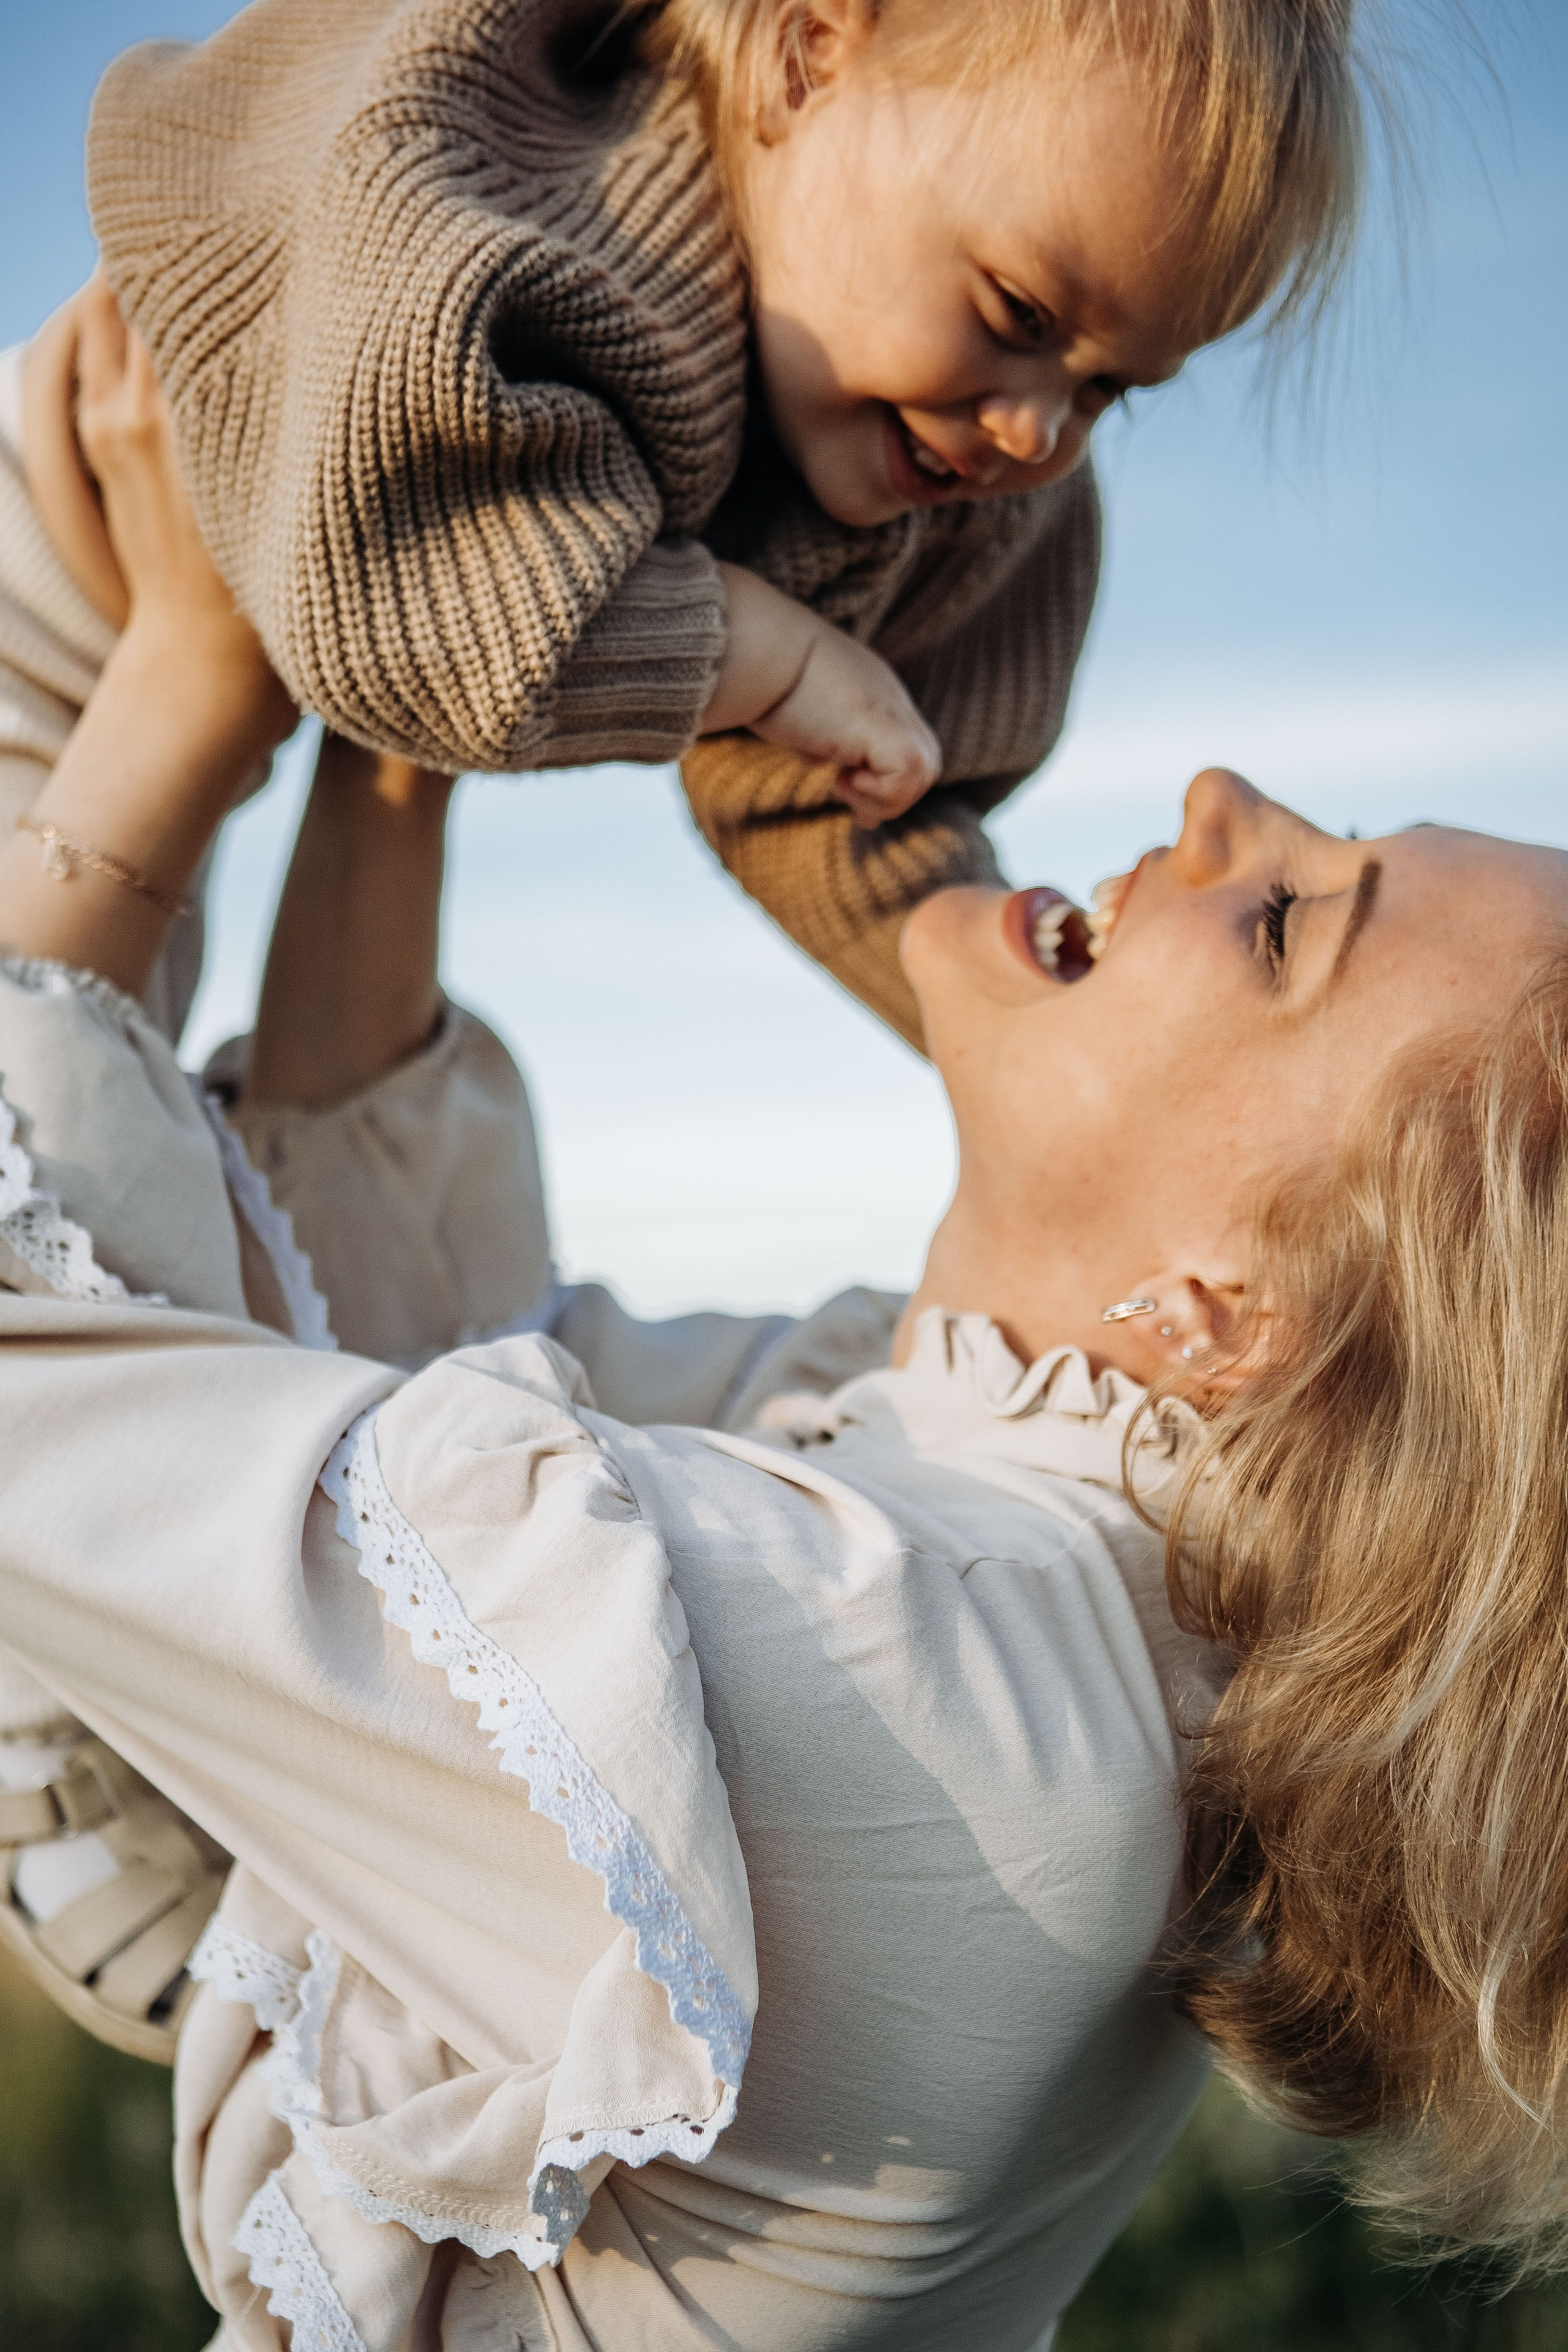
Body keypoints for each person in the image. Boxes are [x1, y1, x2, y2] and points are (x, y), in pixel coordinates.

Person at [7, 260, 1568, 2348]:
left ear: (1233, 1315)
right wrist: (424, 681)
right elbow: (412, 1328)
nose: (1218, 799)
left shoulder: (919, 1686)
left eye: (1290, 921)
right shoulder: (1049, 1533)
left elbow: (61, 1406)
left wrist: (192, 689)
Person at [29, 0, 1368, 1041]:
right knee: (61, 1123)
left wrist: (1042, 1014)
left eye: (1108, 390)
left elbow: (846, 790)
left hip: (190, 698)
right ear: (804, 59)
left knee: (129, 1108)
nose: (1034, 432)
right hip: (39, 589)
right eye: (1017, 313)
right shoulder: (537, 189)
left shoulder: (922, 452)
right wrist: (763, 654)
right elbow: (406, 607)